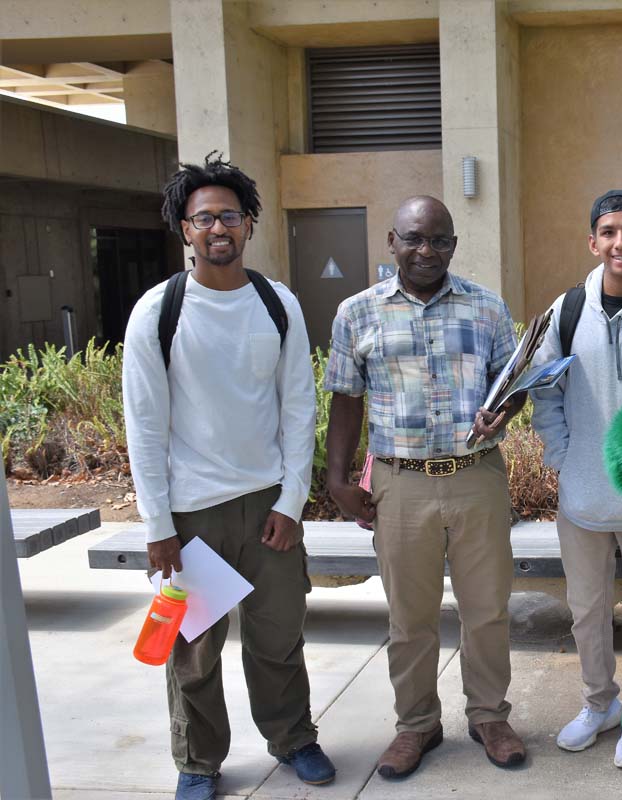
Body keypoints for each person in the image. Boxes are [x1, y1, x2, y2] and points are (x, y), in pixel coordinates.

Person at [122, 154, 334, 800]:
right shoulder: (157, 314)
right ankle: (198, 760)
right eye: (204, 216)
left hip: (268, 506)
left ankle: (293, 736)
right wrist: (158, 528)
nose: (219, 227)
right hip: (192, 517)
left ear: (249, 225)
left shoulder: (279, 306)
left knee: (278, 637)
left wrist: (292, 502)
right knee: (192, 651)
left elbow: (301, 407)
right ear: (184, 229)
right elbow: (145, 427)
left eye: (231, 216)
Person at [323, 195, 527, 779]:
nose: (426, 251)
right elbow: (345, 398)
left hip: (475, 478)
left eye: (439, 240)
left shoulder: (487, 308)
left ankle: (490, 716)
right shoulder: (356, 313)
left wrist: (505, 412)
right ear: (392, 242)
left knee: (487, 610)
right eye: (413, 238)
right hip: (400, 483)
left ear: (454, 246)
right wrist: (338, 479)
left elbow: (512, 385)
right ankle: (416, 725)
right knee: (409, 617)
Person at [531, 189, 622, 770]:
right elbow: (545, 390)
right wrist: (562, 456)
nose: (621, 242)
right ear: (592, 241)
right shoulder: (566, 310)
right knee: (586, 611)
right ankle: (599, 704)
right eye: (609, 232)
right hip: (581, 499)